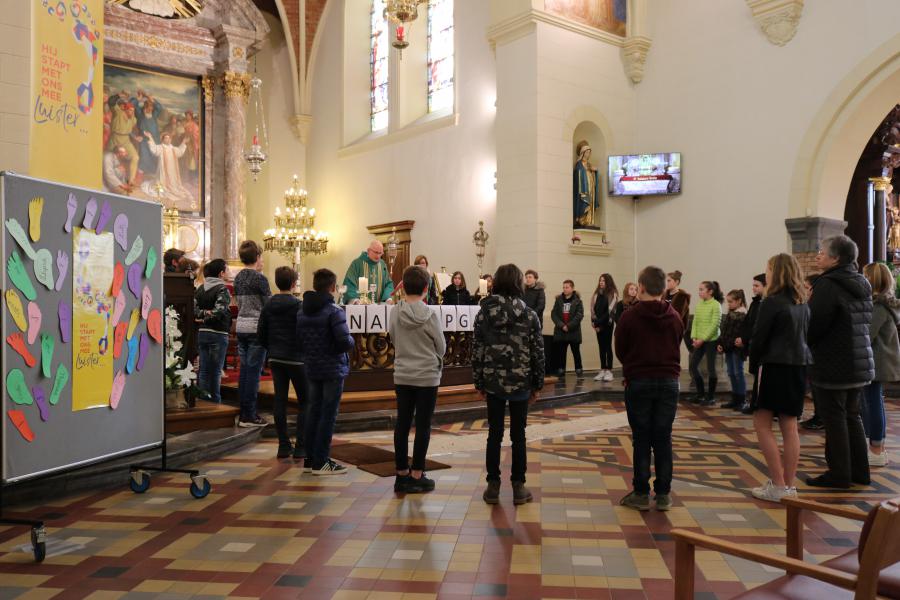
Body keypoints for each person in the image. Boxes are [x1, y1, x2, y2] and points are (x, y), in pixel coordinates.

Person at [473, 264, 544, 505]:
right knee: (519, 436)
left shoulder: (484, 313)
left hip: (493, 382)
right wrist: (537, 385)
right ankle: (518, 487)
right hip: (521, 383)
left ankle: (493, 486)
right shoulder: (529, 314)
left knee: (494, 434)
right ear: (518, 283)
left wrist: (479, 382)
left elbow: (478, 350)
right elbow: (537, 352)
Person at [806, 235, 873, 489]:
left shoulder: (828, 284)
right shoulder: (861, 282)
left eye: (821, 252)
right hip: (859, 360)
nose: (817, 255)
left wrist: (807, 342)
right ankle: (860, 472)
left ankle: (839, 474)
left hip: (833, 362)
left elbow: (816, 324)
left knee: (834, 418)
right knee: (852, 416)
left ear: (835, 258)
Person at [615, 266, 684, 511]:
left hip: (640, 381)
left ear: (641, 287)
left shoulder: (629, 316)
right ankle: (664, 494)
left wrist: (635, 365)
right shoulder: (674, 315)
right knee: (663, 438)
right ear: (663, 288)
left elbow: (620, 349)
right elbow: (677, 341)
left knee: (642, 438)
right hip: (668, 382)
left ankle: (641, 493)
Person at [749, 254, 811, 502]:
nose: (766, 274)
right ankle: (789, 485)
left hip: (774, 366)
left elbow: (759, 337)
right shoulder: (802, 302)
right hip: (798, 366)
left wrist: (754, 366)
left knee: (762, 424)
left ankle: (777, 484)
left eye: (768, 269)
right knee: (790, 426)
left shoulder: (772, 302)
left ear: (778, 272)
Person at [390, 266, 446, 494]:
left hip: (403, 374)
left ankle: (401, 474)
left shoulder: (395, 312)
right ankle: (417, 473)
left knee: (402, 423)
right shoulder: (430, 314)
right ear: (426, 288)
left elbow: (393, 337)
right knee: (423, 425)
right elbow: (441, 347)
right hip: (427, 376)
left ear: (402, 287)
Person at [297, 268, 355, 475]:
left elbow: (300, 339)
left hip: (312, 366)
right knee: (328, 415)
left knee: (314, 412)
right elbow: (343, 341)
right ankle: (321, 461)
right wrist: (352, 340)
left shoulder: (302, 310)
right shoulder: (334, 311)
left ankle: (310, 458)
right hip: (332, 368)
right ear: (332, 287)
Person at [257, 266, 307, 460]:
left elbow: (261, 332)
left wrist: (271, 349)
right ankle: (301, 447)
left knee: (280, 400)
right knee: (305, 401)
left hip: (276, 357)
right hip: (297, 358)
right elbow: (303, 331)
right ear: (294, 284)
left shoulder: (269, 305)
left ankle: (283, 445)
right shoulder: (299, 305)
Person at [861, 262, 900, 467]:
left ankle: (876, 449)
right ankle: (878, 448)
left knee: (873, 403)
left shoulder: (878, 306)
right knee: (875, 401)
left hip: (876, 361)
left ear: (871, 281)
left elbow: (867, 334)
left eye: (864, 276)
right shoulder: (884, 304)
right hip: (880, 360)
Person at [234, 240, 271, 428]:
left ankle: (243, 412)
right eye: (261, 256)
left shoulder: (238, 277)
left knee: (245, 372)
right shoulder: (259, 279)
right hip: (256, 328)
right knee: (253, 373)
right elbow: (268, 305)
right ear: (257, 257)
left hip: (241, 327)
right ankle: (249, 415)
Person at [194, 259, 231, 404]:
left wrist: (203, 316)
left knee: (203, 370)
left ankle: (203, 401)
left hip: (202, 332)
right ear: (221, 273)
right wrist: (209, 314)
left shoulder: (200, 289)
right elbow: (219, 312)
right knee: (215, 371)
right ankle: (215, 402)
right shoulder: (222, 289)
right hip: (218, 333)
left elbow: (195, 311)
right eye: (226, 270)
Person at [689, 281, 723, 406]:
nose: (699, 292)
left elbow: (714, 325)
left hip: (711, 340)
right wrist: (694, 337)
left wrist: (702, 339)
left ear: (710, 292)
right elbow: (695, 322)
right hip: (699, 340)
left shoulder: (716, 305)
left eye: (702, 289)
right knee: (693, 366)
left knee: (710, 369)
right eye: (699, 289)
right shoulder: (699, 305)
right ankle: (700, 394)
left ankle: (711, 397)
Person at [736, 274, 766, 414]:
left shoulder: (766, 303)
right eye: (753, 285)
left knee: (761, 377)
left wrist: (746, 338)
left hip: (760, 345)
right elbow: (748, 322)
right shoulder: (756, 302)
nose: (753, 288)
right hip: (752, 343)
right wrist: (742, 337)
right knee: (755, 375)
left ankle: (758, 404)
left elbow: (758, 326)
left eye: (756, 285)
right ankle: (754, 403)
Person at [800, 274, 824, 429]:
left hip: (818, 351)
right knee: (814, 387)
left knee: (819, 388)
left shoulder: (818, 305)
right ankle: (818, 415)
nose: (805, 291)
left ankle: (820, 418)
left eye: (807, 288)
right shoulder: (808, 304)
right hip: (810, 350)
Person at [144, 132, 193, 207]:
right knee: (161, 184)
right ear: (163, 140)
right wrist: (150, 137)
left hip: (172, 169)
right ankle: (164, 186)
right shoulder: (160, 147)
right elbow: (154, 149)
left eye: (169, 138)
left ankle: (171, 186)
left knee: (174, 184)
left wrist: (184, 142)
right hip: (163, 169)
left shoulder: (173, 148)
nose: (168, 139)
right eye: (166, 138)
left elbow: (180, 152)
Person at [717, 289, 747, 410]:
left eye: (731, 302)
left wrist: (726, 345)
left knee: (738, 373)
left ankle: (741, 399)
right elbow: (724, 331)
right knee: (731, 373)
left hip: (736, 349)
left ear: (739, 301)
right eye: (728, 302)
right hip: (728, 348)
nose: (729, 304)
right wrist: (720, 343)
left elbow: (736, 334)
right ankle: (735, 398)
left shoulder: (743, 315)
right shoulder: (731, 313)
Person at [551, 279, 584, 377]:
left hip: (573, 332)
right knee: (561, 352)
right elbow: (554, 314)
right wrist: (562, 325)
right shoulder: (558, 300)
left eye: (567, 287)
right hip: (561, 331)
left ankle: (578, 369)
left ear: (572, 288)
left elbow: (579, 315)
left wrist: (569, 326)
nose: (565, 289)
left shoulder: (578, 301)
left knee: (576, 352)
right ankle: (561, 369)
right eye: (563, 287)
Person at [591, 274, 618, 382]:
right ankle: (602, 369)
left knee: (607, 346)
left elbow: (610, 311)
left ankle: (609, 371)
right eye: (600, 280)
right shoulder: (596, 294)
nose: (601, 282)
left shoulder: (613, 294)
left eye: (603, 281)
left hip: (607, 324)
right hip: (598, 325)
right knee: (601, 347)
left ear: (608, 282)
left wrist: (599, 322)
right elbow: (592, 309)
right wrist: (594, 323)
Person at [573, 140, 600, 227]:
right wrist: (585, 172)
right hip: (583, 188)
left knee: (590, 202)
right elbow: (578, 174)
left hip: (590, 186)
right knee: (584, 201)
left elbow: (592, 172)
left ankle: (589, 220)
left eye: (589, 152)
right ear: (583, 153)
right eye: (587, 152)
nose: (588, 154)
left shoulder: (589, 164)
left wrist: (594, 172)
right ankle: (582, 219)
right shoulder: (579, 165)